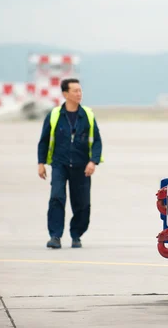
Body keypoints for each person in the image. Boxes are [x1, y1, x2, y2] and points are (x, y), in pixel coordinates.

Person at [37, 78, 103, 249]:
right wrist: (41, 163)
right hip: (60, 164)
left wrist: (93, 161)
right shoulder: (54, 115)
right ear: (65, 94)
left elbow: (96, 141)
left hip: (82, 166)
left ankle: (76, 235)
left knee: (82, 204)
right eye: (75, 91)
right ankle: (55, 236)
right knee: (57, 198)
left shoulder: (87, 115)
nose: (79, 93)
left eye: (80, 90)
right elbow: (44, 141)